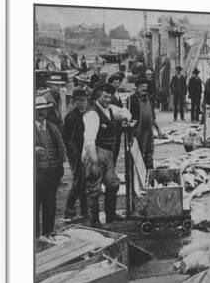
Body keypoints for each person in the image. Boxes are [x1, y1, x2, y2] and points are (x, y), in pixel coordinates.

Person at [82, 83, 131, 226]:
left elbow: (125, 112)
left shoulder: (110, 109)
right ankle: (94, 221)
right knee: (94, 189)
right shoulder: (92, 114)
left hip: (108, 154)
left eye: (110, 96)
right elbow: (89, 140)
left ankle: (110, 216)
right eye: (105, 96)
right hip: (95, 153)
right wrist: (94, 159)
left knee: (113, 183)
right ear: (97, 96)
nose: (108, 99)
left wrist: (126, 117)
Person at [35, 96, 67, 238]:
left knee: (50, 203)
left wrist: (60, 163)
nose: (41, 113)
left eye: (43, 110)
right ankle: (34, 236)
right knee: (34, 204)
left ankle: (48, 232)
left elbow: (61, 146)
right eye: (38, 111)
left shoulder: (53, 127)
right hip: (36, 173)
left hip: (52, 172)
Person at [62, 88, 88, 222]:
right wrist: (73, 153)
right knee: (78, 182)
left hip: (84, 151)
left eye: (84, 100)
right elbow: (66, 137)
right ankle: (69, 210)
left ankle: (84, 210)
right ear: (74, 101)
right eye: (79, 101)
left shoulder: (86, 114)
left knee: (84, 182)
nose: (82, 103)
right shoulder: (71, 116)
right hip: (76, 154)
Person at [128, 78, 161, 170]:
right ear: (137, 87)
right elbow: (128, 116)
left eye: (146, 87)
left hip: (149, 129)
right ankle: (139, 171)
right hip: (138, 130)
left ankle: (149, 170)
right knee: (138, 152)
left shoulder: (149, 98)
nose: (144, 89)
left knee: (150, 150)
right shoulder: (132, 99)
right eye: (142, 86)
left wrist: (158, 129)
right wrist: (132, 132)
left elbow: (152, 115)